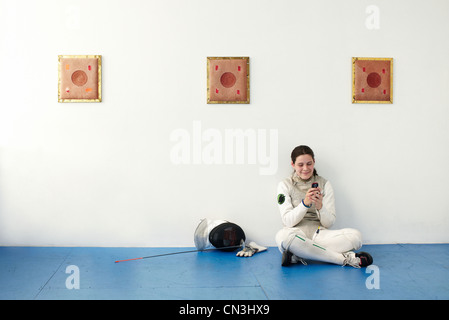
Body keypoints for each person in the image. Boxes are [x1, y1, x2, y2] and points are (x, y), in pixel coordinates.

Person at [275, 145, 373, 268]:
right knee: (283, 237)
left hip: (319, 235)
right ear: (293, 164)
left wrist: (320, 206)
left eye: (309, 164)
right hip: (295, 234)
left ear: (314, 162)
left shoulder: (325, 184)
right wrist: (305, 204)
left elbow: (328, 223)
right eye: (300, 165)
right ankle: (344, 258)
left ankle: (298, 255)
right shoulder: (284, 185)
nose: (305, 168)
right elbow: (288, 221)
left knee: (356, 236)